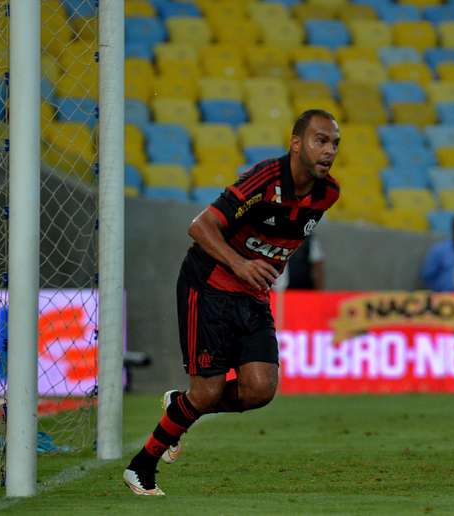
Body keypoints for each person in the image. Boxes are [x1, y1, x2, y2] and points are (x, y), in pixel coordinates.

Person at [123, 109, 341, 495]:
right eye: (320, 140)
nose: (329, 150)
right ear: (296, 144)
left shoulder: (328, 194)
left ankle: (180, 407)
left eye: (334, 143)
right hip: (208, 285)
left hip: (253, 295)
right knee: (206, 392)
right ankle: (142, 465)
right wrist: (240, 263)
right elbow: (199, 226)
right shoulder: (265, 178)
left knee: (260, 389)